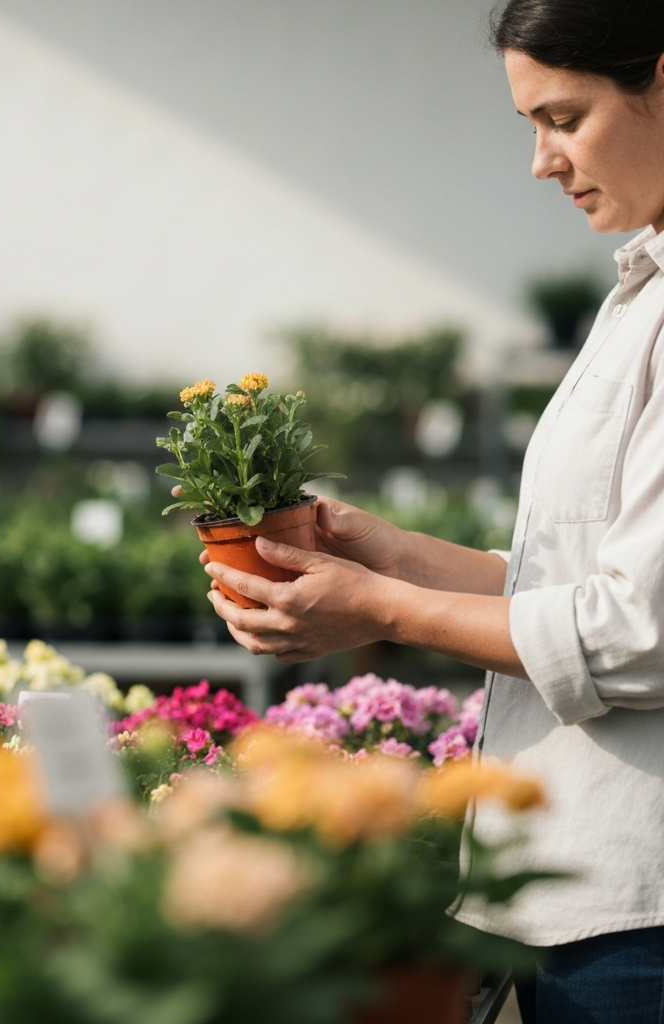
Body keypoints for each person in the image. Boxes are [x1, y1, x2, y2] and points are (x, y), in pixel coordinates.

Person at [192, 2, 664, 1020]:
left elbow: (639, 634)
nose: (542, 161)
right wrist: (391, 555)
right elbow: (576, 585)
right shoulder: (640, 290)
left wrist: (382, 611)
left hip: (643, 917)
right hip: (586, 892)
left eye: (564, 117)